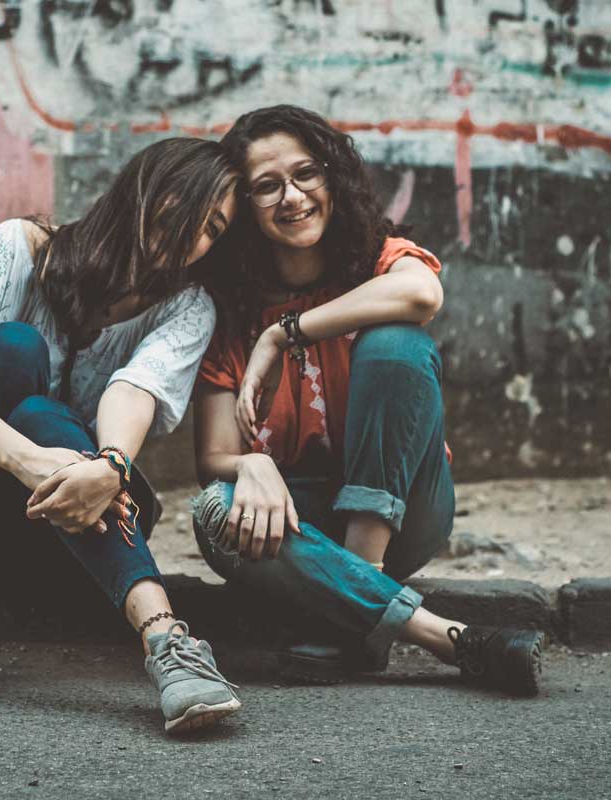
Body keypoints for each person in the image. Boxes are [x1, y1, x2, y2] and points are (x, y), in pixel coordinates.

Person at [191, 105, 544, 695]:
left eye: (307, 174)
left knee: (398, 343)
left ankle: (360, 581)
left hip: (405, 509)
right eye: (267, 186)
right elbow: (213, 458)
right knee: (213, 511)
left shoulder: (376, 261)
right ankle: (436, 635)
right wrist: (250, 464)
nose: (293, 197)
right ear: (244, 206)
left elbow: (421, 292)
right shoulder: (228, 312)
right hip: (297, 527)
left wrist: (285, 333)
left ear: (332, 176)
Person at [0, 137, 242, 734]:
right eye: (186, 201)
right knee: (13, 350)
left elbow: (134, 390)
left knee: (42, 413)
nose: (193, 230)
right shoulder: (20, 248)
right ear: (144, 185)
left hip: (83, 528)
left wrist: (108, 465)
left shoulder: (189, 307)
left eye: (213, 225)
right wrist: (28, 460)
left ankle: (169, 642)